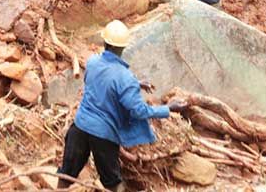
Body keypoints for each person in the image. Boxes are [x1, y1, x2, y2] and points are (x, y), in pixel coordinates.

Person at [56, 20, 187, 191]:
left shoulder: (93, 62)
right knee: (113, 182)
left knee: (67, 172)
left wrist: (135, 83)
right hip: (103, 135)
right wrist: (168, 108)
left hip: (79, 127)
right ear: (123, 48)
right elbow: (138, 111)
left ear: (105, 43)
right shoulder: (125, 78)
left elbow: (101, 81)